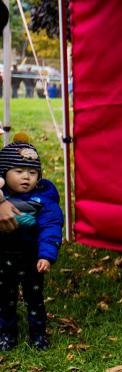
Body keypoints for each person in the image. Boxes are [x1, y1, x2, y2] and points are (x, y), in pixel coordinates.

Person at [0, 136, 63, 350]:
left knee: (34, 298)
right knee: (4, 300)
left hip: (31, 259)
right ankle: (7, 335)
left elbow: (51, 227)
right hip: (4, 257)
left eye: (32, 172)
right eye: (18, 171)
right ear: (3, 174)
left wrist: (46, 254)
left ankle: (38, 335)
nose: (26, 177)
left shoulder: (43, 200)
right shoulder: (2, 199)